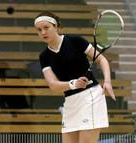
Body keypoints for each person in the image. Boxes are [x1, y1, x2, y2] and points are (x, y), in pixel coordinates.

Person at [34, 11, 116, 143]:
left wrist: (107, 81)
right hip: (70, 103)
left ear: (56, 26)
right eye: (39, 30)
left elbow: (101, 59)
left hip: (90, 97)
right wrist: (73, 84)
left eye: (46, 28)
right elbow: (53, 84)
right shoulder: (44, 56)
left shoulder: (75, 41)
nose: (43, 32)